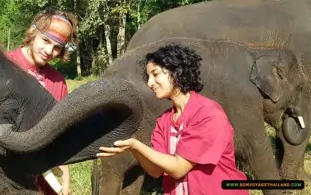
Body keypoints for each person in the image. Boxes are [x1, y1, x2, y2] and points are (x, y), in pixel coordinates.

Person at [97, 45, 249, 195]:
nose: (150, 83)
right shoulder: (164, 121)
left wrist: (136, 145)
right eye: (148, 77)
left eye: (155, 75)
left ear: (177, 72)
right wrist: (132, 147)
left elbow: (178, 168)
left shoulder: (208, 114)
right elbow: (155, 171)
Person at [5, 9, 78, 195]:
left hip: (42, 174)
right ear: (33, 32)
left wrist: (65, 175)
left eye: (57, 48)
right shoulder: (4, 64)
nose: (49, 51)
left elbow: (59, 131)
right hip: (3, 170)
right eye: (45, 41)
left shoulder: (58, 82)